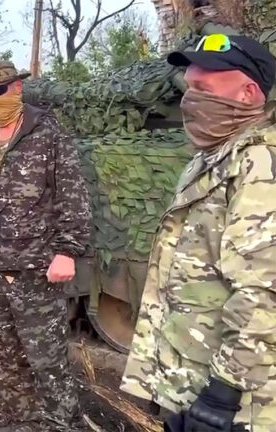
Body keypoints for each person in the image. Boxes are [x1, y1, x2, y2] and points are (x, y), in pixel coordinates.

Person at [120, 34, 276, 432]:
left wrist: (223, 393)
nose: (190, 98)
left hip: (240, 401)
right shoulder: (213, 156)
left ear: (247, 93)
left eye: (203, 88)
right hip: (195, 378)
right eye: (188, 88)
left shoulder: (260, 162)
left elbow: (263, 292)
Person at [0, 61, 91, 429]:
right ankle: (22, 419)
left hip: (35, 270)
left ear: (17, 88)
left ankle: (64, 423)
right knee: (2, 353)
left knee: (47, 360)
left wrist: (67, 250)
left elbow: (73, 196)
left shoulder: (48, 133)